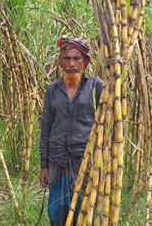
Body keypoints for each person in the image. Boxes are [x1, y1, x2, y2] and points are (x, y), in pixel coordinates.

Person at [39, 36, 103, 226]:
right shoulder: (53, 89)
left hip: (85, 160)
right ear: (61, 61)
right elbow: (46, 126)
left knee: (87, 211)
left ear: (85, 62)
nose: (72, 64)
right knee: (57, 211)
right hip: (57, 159)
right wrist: (44, 164)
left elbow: (107, 127)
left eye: (76, 58)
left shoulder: (96, 87)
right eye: (67, 58)